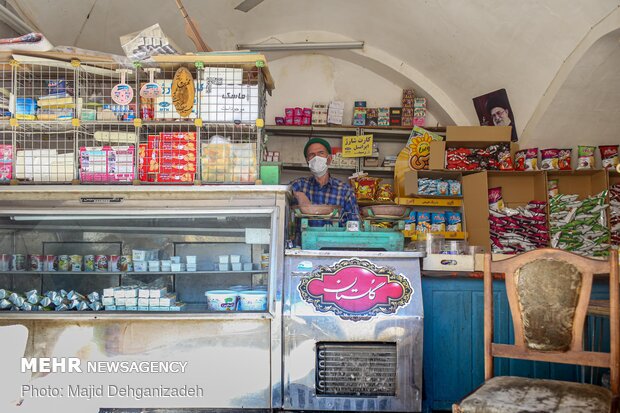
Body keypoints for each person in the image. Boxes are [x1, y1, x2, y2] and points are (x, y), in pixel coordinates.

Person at [290, 137, 359, 227]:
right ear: (308, 162)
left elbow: (355, 225)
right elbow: (279, 193)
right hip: (303, 240)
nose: (316, 158)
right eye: (311, 155)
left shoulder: (345, 191)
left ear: (329, 159)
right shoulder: (299, 185)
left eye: (321, 153)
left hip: (333, 240)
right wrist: (298, 195)